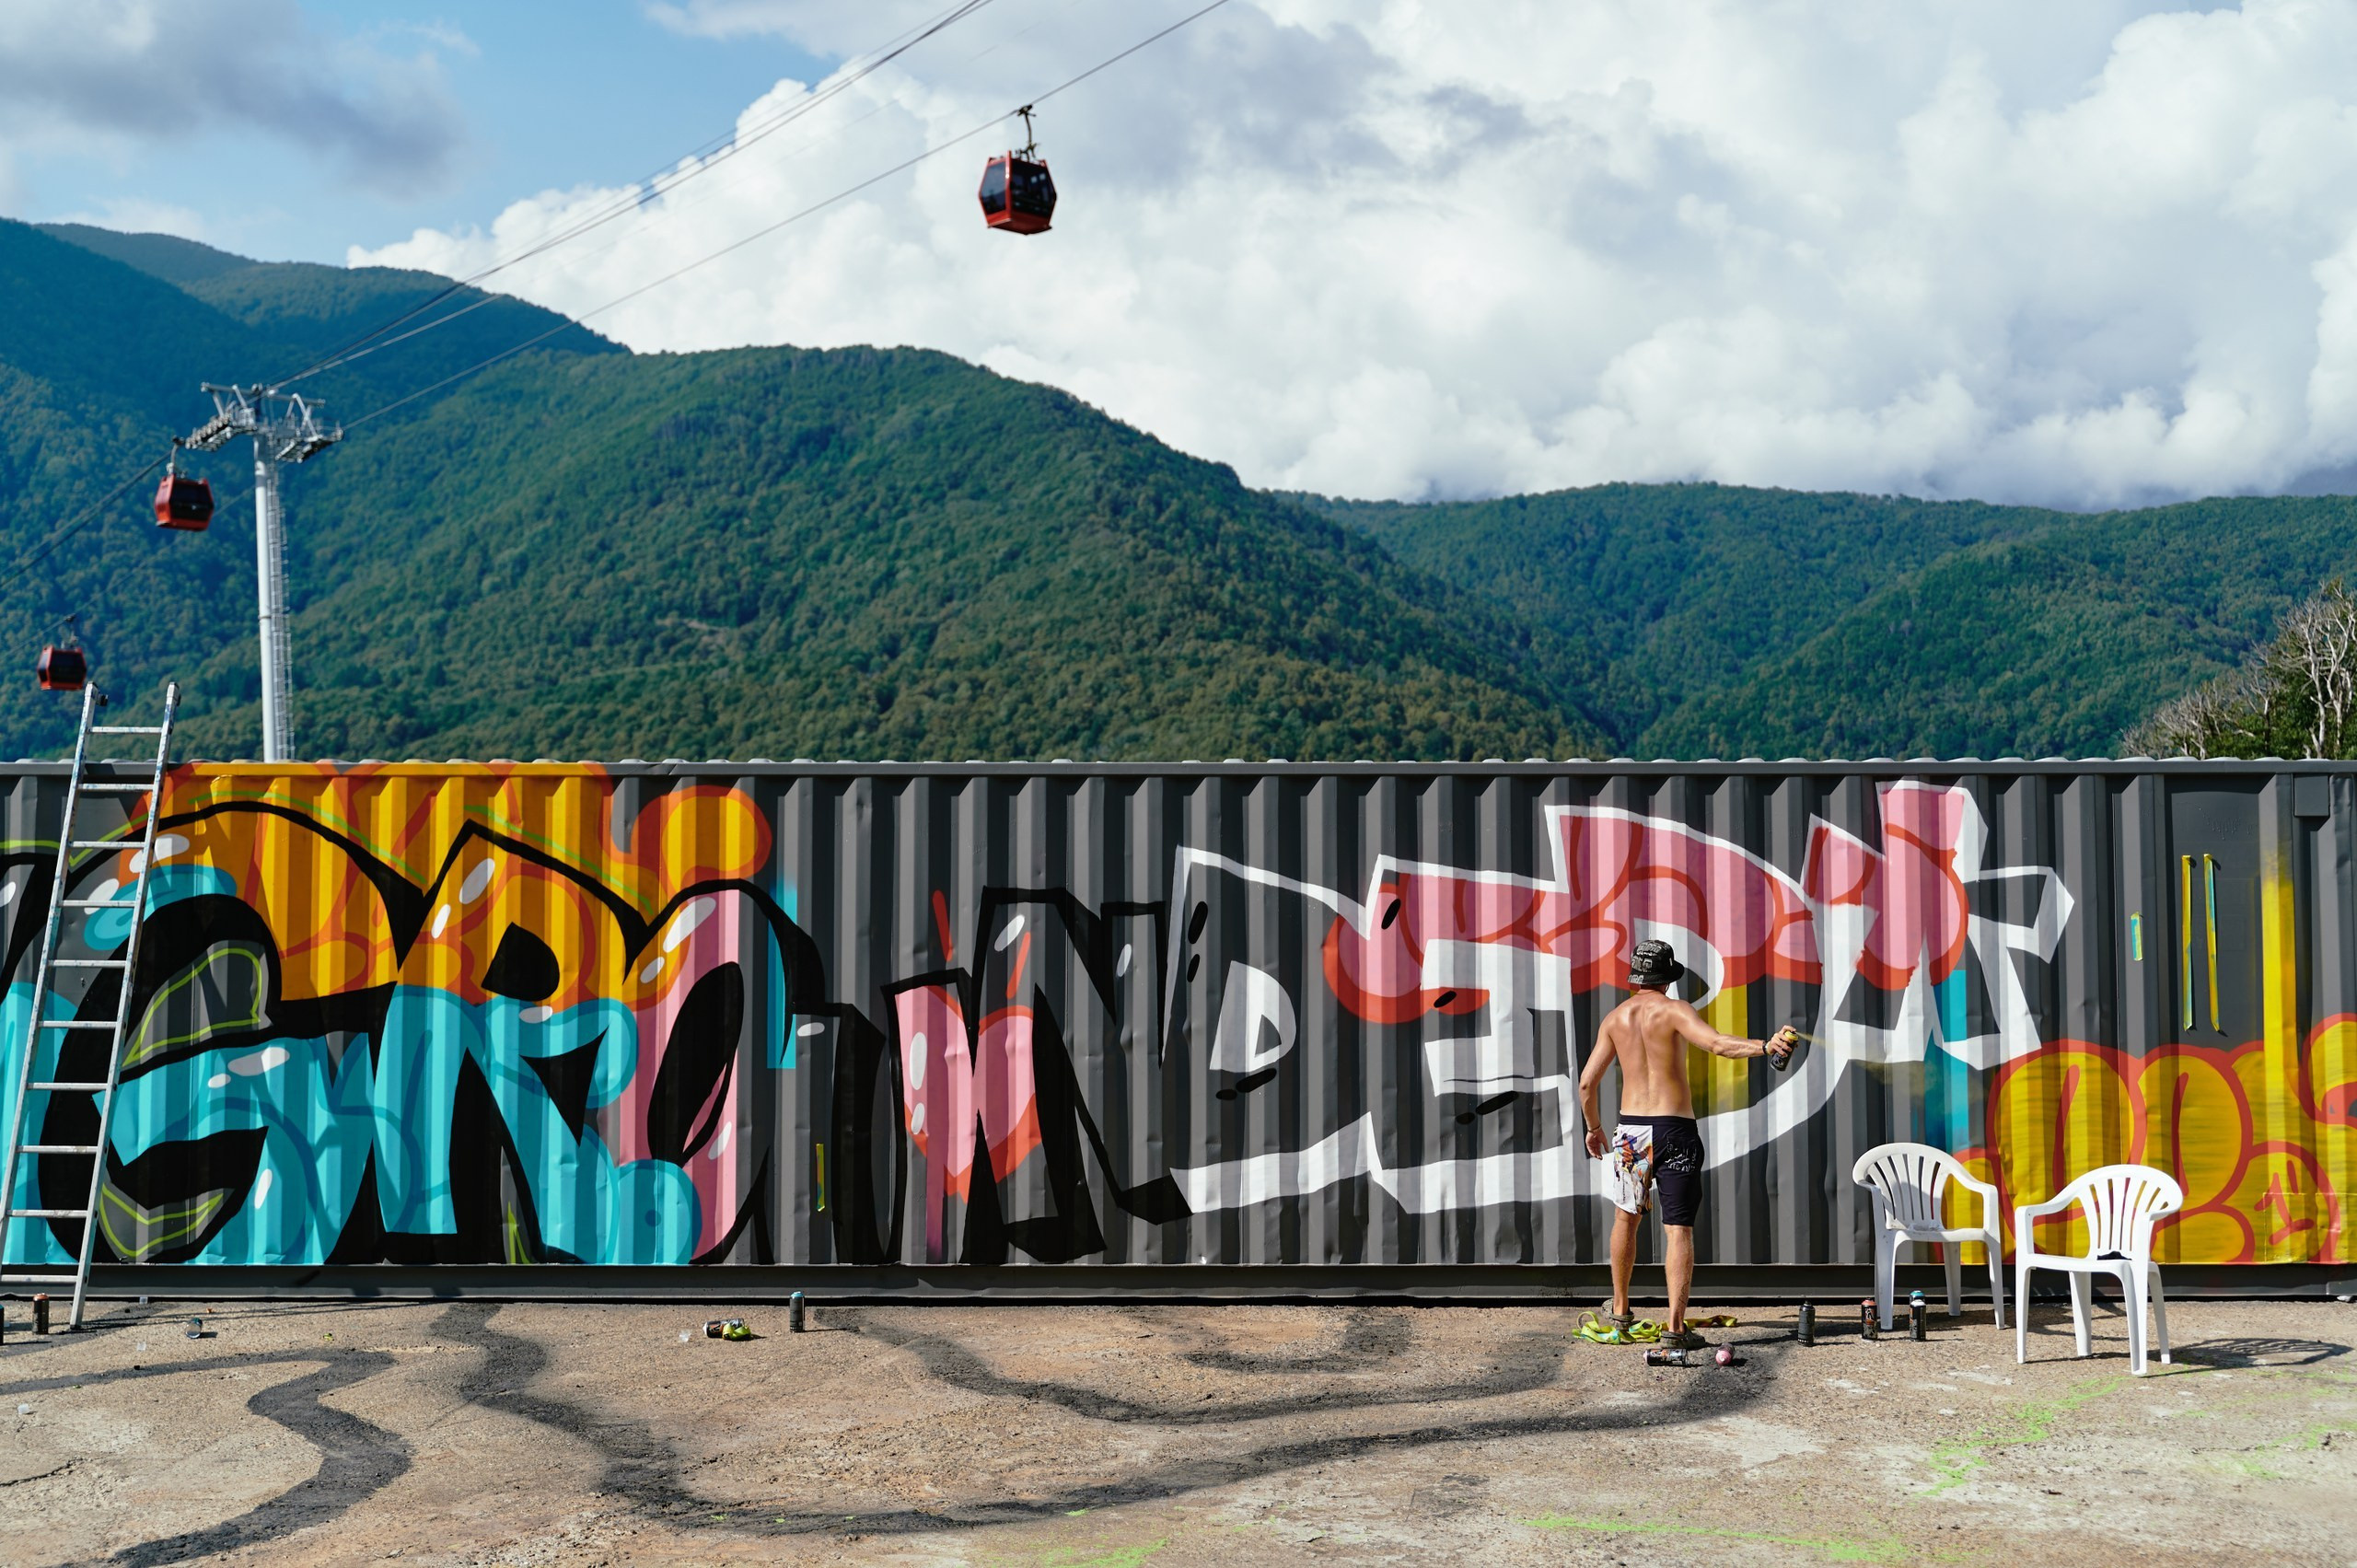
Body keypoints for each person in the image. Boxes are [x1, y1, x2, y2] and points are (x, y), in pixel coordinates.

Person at [1578, 937, 1797, 1349]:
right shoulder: (1675, 1010)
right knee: (1677, 1230)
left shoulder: (1615, 1019)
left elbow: (1587, 1082)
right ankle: (1676, 1330)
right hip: (1674, 1129)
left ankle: (1621, 1313)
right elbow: (1716, 1044)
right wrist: (1764, 1046)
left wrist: (1593, 1128)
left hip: (1630, 1134)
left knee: (1626, 1219)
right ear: (1667, 978)